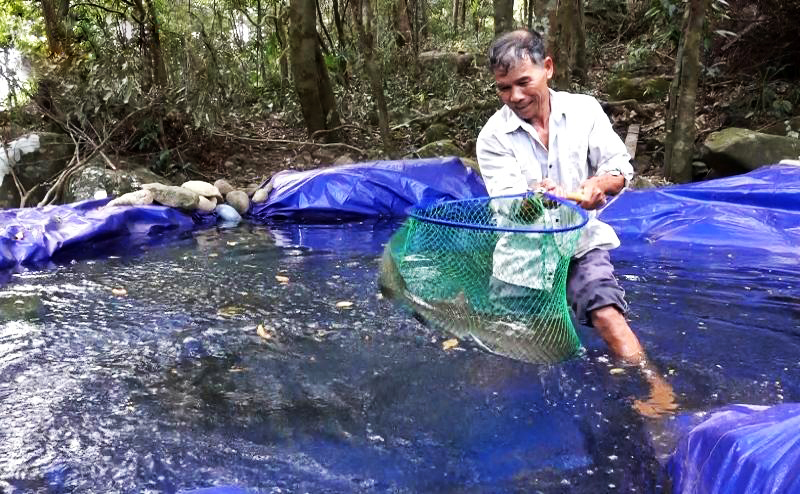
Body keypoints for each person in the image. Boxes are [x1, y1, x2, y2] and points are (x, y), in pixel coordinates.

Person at [476, 29, 676, 417]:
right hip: (524, 256)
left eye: (523, 82)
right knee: (508, 354)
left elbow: (619, 166)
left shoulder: (584, 111)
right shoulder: (492, 137)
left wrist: (599, 185)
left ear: (547, 68)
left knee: (606, 314)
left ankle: (659, 394)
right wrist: (537, 199)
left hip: (581, 243)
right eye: (503, 88)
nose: (515, 97)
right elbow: (510, 209)